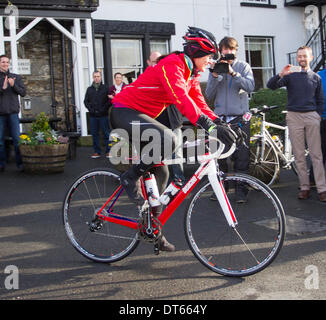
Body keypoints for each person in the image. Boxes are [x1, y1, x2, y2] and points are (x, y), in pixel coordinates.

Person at [111, 27, 237, 251]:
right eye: (208, 56)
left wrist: (219, 122)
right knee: (168, 139)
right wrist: (207, 125)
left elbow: (198, 102)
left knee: (163, 172)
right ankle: (129, 178)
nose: (210, 61)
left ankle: (152, 229)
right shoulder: (173, 64)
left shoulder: (192, 73)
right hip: (124, 111)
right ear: (197, 51)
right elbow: (180, 98)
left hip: (142, 116)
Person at [267, 46, 326, 202]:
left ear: (311, 57)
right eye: (299, 56)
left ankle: (322, 189)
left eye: (304, 56)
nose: (301, 59)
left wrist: (317, 116)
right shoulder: (290, 76)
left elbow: (320, 100)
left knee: (316, 155)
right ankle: (304, 187)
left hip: (311, 116)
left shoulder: (316, 77)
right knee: (299, 155)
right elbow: (270, 85)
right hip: (294, 117)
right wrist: (281, 74)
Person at [205, 36, 255, 203]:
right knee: (220, 157)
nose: (228, 53)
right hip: (221, 119)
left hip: (240, 118)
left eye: (231, 49)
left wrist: (233, 73)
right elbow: (209, 94)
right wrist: (214, 75)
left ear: (235, 51)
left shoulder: (243, 66)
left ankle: (241, 191)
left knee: (242, 157)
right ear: (221, 51)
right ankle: (222, 189)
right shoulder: (217, 68)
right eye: (225, 50)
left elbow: (250, 87)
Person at [147, 51, 186, 186]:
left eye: (159, 60)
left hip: (173, 121)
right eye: (154, 61)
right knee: (159, 157)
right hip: (156, 124)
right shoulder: (148, 78)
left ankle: (179, 182)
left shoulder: (169, 72)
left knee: (177, 155)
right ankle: (158, 184)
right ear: (148, 63)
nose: (158, 63)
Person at [0, 54, 26, 172]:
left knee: (17, 139)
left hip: (13, 113)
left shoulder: (15, 77)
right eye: (3, 62)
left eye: (7, 62)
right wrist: (3, 88)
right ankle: (1, 164)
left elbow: (23, 92)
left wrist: (13, 85)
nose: (5, 64)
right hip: (0, 114)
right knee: (0, 140)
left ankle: (20, 164)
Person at [84, 70, 111, 159]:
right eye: (95, 76)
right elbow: (86, 101)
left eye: (98, 76)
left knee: (106, 134)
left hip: (103, 115)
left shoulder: (106, 88)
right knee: (95, 134)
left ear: (101, 77)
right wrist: (91, 110)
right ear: (93, 77)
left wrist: (103, 110)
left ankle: (108, 151)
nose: (96, 78)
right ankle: (97, 152)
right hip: (93, 116)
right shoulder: (89, 89)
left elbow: (109, 101)